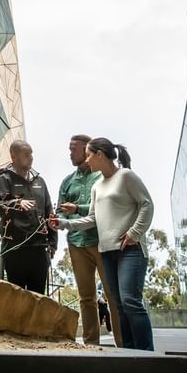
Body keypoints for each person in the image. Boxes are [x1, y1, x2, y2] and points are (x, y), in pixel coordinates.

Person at [51, 137, 155, 350]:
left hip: (130, 250)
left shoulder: (126, 176)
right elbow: (92, 219)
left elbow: (147, 204)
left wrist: (135, 233)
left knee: (130, 302)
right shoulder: (98, 186)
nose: (87, 160)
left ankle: (146, 353)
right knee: (118, 304)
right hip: (107, 252)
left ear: (99, 154)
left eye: (89, 155)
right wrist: (62, 223)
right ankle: (128, 351)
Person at [58, 133, 122, 346]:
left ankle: (123, 345)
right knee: (86, 298)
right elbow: (62, 212)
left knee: (113, 296)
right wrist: (58, 219)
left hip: (102, 242)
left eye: (73, 148)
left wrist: (77, 209)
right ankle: (91, 345)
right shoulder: (67, 182)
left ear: (87, 150)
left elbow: (102, 208)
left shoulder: (101, 175)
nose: (70, 153)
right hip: (76, 244)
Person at [0, 140, 56, 294]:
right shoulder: (5, 180)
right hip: (15, 250)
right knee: (17, 300)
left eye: (31, 154)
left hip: (39, 249)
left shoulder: (40, 182)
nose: (31, 157)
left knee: (39, 300)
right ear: (14, 156)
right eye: (26, 154)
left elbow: (49, 213)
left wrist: (52, 243)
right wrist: (16, 203)